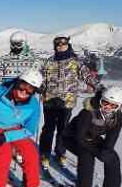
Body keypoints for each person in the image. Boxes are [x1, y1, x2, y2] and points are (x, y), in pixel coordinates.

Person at [62, 87, 122, 187]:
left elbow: (112, 138)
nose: (108, 107)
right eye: (105, 102)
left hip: (92, 138)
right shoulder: (88, 112)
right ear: (101, 100)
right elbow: (80, 138)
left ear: (119, 106)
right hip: (72, 138)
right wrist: (97, 152)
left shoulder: (117, 117)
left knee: (112, 157)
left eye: (113, 105)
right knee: (87, 156)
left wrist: (106, 151)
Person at [39, 35, 98, 168]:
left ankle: (60, 152)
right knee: (48, 128)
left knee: (63, 129)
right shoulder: (49, 61)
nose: (60, 46)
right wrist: (39, 86)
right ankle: (45, 153)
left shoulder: (75, 61)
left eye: (63, 44)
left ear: (67, 45)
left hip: (67, 101)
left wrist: (99, 88)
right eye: (58, 44)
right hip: (49, 99)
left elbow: (87, 76)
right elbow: (42, 78)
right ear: (55, 46)